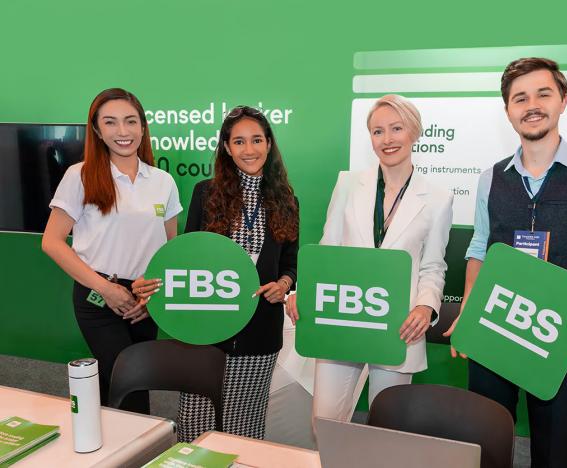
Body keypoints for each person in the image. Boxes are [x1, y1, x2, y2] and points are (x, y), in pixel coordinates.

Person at [445, 57, 567, 467]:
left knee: (553, 450)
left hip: (557, 333)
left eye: (542, 94)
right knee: (486, 442)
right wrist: (468, 309)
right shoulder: (490, 177)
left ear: (563, 100)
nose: (531, 105)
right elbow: (479, 247)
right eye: (520, 98)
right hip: (493, 325)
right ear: (508, 110)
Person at [286, 94, 453, 432]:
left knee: (387, 427)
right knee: (324, 424)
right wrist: (305, 291)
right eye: (378, 131)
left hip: (397, 325)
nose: (387, 139)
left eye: (396, 128)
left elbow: (433, 266)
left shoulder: (438, 198)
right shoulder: (348, 183)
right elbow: (328, 248)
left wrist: (425, 307)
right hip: (341, 317)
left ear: (414, 132)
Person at [150, 105, 299, 442]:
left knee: (245, 428)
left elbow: (291, 263)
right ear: (227, 148)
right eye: (239, 141)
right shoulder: (206, 193)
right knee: (196, 425)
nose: (249, 149)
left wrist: (283, 284)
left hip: (260, 331)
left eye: (257, 140)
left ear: (269, 144)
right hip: (208, 330)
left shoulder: (287, 201)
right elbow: (186, 257)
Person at [42, 88, 182, 413]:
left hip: (145, 300)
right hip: (98, 297)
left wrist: (152, 298)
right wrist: (106, 289)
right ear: (97, 129)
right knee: (130, 383)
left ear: (143, 127)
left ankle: (107, 441)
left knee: (124, 385)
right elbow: (51, 241)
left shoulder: (162, 181)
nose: (123, 131)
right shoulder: (80, 176)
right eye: (111, 122)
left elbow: (170, 249)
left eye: (130, 121)